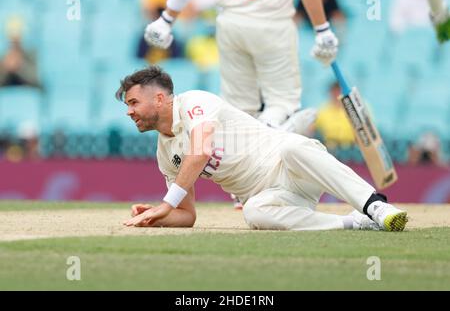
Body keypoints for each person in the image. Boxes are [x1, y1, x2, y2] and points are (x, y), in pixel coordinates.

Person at [116, 66, 408, 231]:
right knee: (253, 213)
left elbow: (201, 151)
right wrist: (159, 215)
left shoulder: (194, 102)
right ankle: (355, 223)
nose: (129, 112)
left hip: (288, 163)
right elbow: (187, 216)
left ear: (159, 99)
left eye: (133, 103)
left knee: (295, 148)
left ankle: (374, 205)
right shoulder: (164, 154)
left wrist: (167, 201)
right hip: (273, 196)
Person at [143, 0, 339, 131]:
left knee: (238, 107)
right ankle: (268, 133)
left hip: (230, 24)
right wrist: (322, 31)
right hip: (271, 23)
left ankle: (241, 169)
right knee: (282, 103)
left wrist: (166, 20)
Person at [0, 17, 41, 88]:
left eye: (17, 36)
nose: (15, 40)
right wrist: (5, 68)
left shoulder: (31, 54)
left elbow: (36, 81)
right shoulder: (3, 58)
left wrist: (19, 66)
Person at [313, 81, 354, 152]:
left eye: (339, 92)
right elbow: (313, 129)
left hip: (352, 149)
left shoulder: (353, 109)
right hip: (330, 149)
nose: (337, 95)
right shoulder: (322, 111)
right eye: (334, 92)